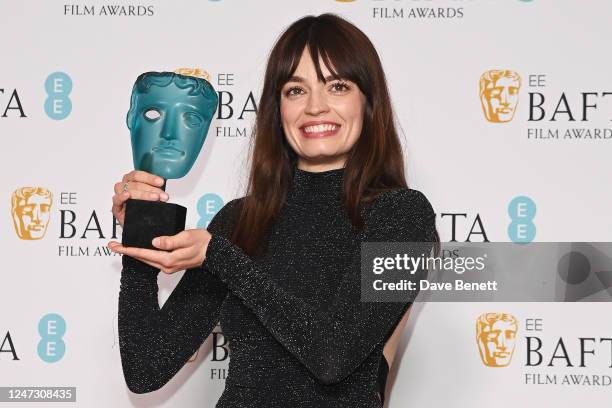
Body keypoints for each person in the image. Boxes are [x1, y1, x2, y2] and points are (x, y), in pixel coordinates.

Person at [108, 13, 438, 407]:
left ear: (368, 101)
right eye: (296, 90)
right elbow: (146, 368)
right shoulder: (238, 221)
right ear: (277, 108)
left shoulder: (402, 216)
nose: (316, 106)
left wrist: (219, 256)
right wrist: (141, 234)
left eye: (337, 86)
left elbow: (332, 356)